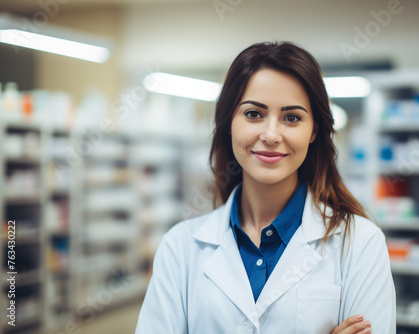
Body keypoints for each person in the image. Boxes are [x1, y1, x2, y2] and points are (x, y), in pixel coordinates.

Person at [135, 41, 396, 334]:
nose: (271, 135)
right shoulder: (180, 248)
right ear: (229, 124)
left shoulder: (359, 244)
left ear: (313, 132)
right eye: (253, 114)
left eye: (292, 118)